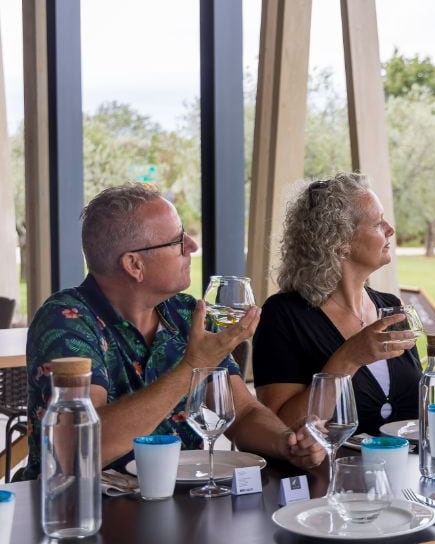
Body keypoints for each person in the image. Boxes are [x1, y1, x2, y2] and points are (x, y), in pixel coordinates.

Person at [24, 184, 324, 479]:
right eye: (178, 240)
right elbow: (82, 447)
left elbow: (241, 413)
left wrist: (287, 442)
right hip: (81, 512)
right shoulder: (66, 319)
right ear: (134, 264)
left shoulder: (184, 313)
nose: (192, 247)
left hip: (181, 504)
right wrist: (193, 366)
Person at [252, 173, 421, 435]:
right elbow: (279, 427)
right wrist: (349, 358)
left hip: (404, 470)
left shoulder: (391, 308)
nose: (390, 229)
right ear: (341, 242)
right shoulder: (284, 315)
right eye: (377, 223)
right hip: (328, 473)